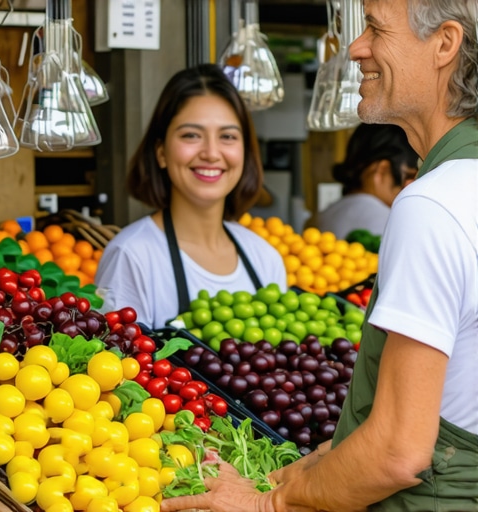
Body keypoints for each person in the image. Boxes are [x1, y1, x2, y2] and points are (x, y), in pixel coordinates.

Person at [161, 0, 478, 511]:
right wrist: (277, 479)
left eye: (375, 29)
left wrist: (267, 506)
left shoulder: (433, 203)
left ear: (444, 43)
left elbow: (399, 452)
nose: (355, 48)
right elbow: (443, 413)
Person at [95, 63, 287, 330]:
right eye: (191, 135)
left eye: (228, 136)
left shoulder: (265, 258)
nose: (211, 152)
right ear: (161, 152)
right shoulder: (132, 255)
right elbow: (118, 365)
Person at [314, 122, 419, 239]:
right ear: (382, 170)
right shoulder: (392, 222)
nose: (410, 186)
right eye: (409, 176)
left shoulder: (320, 217)